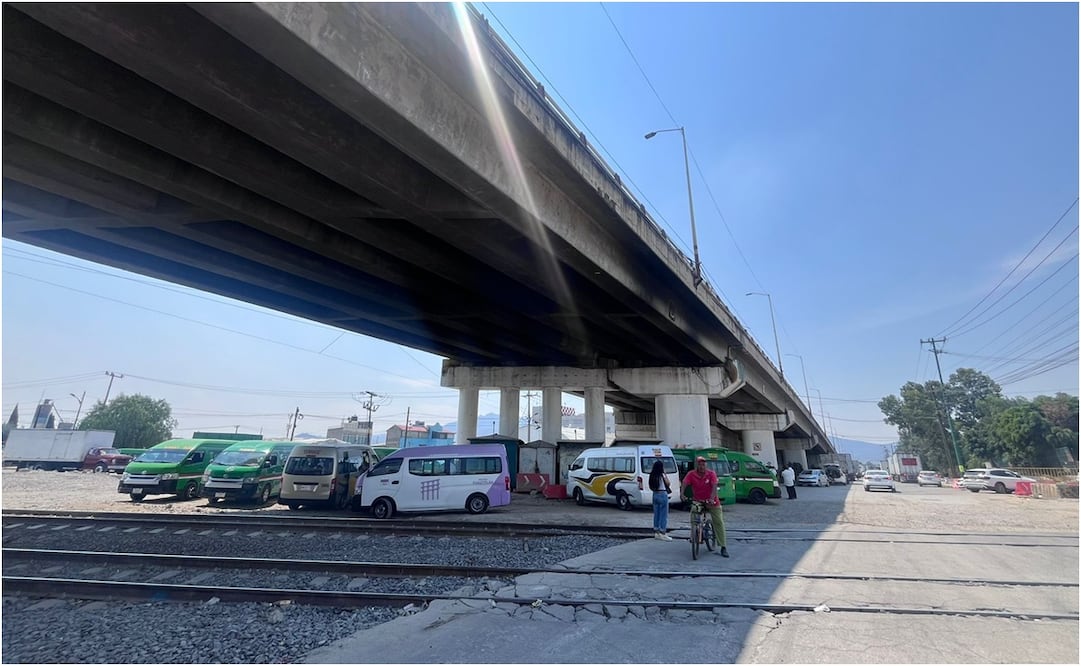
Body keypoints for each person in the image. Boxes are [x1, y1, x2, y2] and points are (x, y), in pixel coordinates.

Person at [681, 456, 728, 557]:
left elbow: (714, 487)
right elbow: (684, 483)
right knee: (694, 513)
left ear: (706, 465)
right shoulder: (691, 474)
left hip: (712, 502)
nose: (701, 466)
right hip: (698, 500)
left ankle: (723, 546)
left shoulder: (711, 474)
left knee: (718, 522)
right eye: (699, 464)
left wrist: (711, 498)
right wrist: (682, 494)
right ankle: (694, 535)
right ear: (696, 466)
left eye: (703, 464)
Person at [648, 460, 673, 541]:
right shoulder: (662, 474)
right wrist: (665, 474)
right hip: (662, 494)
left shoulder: (652, 475)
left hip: (655, 494)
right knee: (663, 514)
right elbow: (668, 483)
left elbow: (650, 486)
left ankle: (656, 532)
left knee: (656, 514)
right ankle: (663, 532)